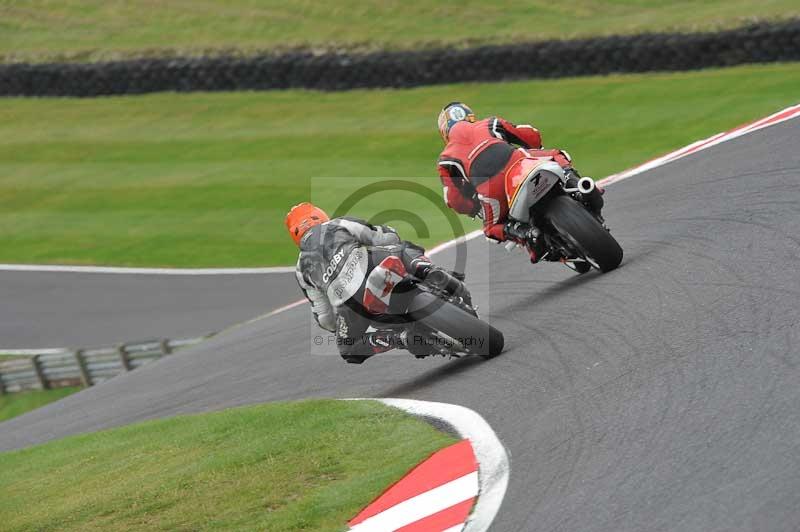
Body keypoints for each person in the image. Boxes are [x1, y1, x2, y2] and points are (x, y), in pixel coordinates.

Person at [285, 202, 470, 364]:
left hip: (350, 303)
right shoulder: (338, 224)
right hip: (373, 265)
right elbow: (385, 238)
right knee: (402, 247)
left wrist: (339, 327)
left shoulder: (301, 270)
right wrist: (390, 235)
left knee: (348, 349)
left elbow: (324, 317)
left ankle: (398, 338)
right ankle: (428, 271)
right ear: (320, 216)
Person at [436, 101, 602, 262]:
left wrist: (473, 208)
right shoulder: (490, 123)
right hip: (518, 162)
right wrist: (533, 146)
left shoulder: (446, 159)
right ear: (471, 116)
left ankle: (526, 234)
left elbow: (454, 200)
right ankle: (579, 187)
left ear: (444, 132)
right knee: (558, 155)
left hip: (492, 189)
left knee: (490, 229)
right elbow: (531, 135)